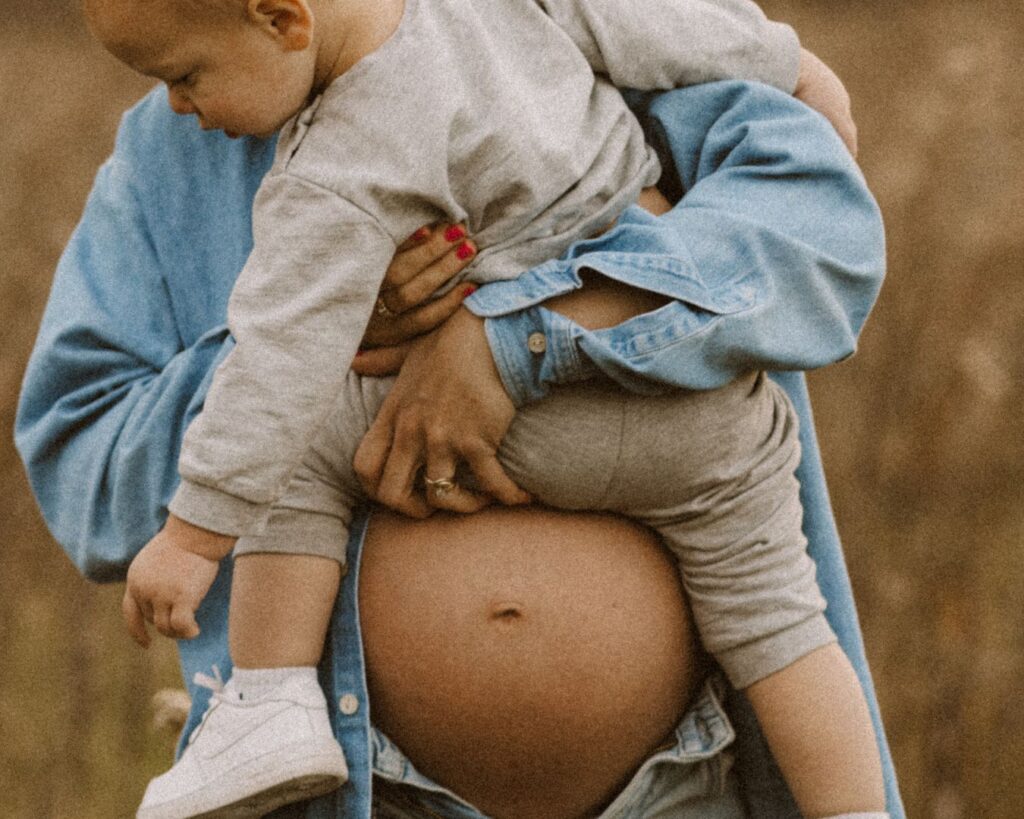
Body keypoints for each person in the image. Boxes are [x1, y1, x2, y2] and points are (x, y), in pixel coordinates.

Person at [15, 47, 903, 819]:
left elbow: (828, 241)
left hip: (687, 782)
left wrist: (520, 336)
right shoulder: (182, 131)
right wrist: (314, 333)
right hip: (358, 795)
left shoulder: (608, 44)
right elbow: (81, 461)